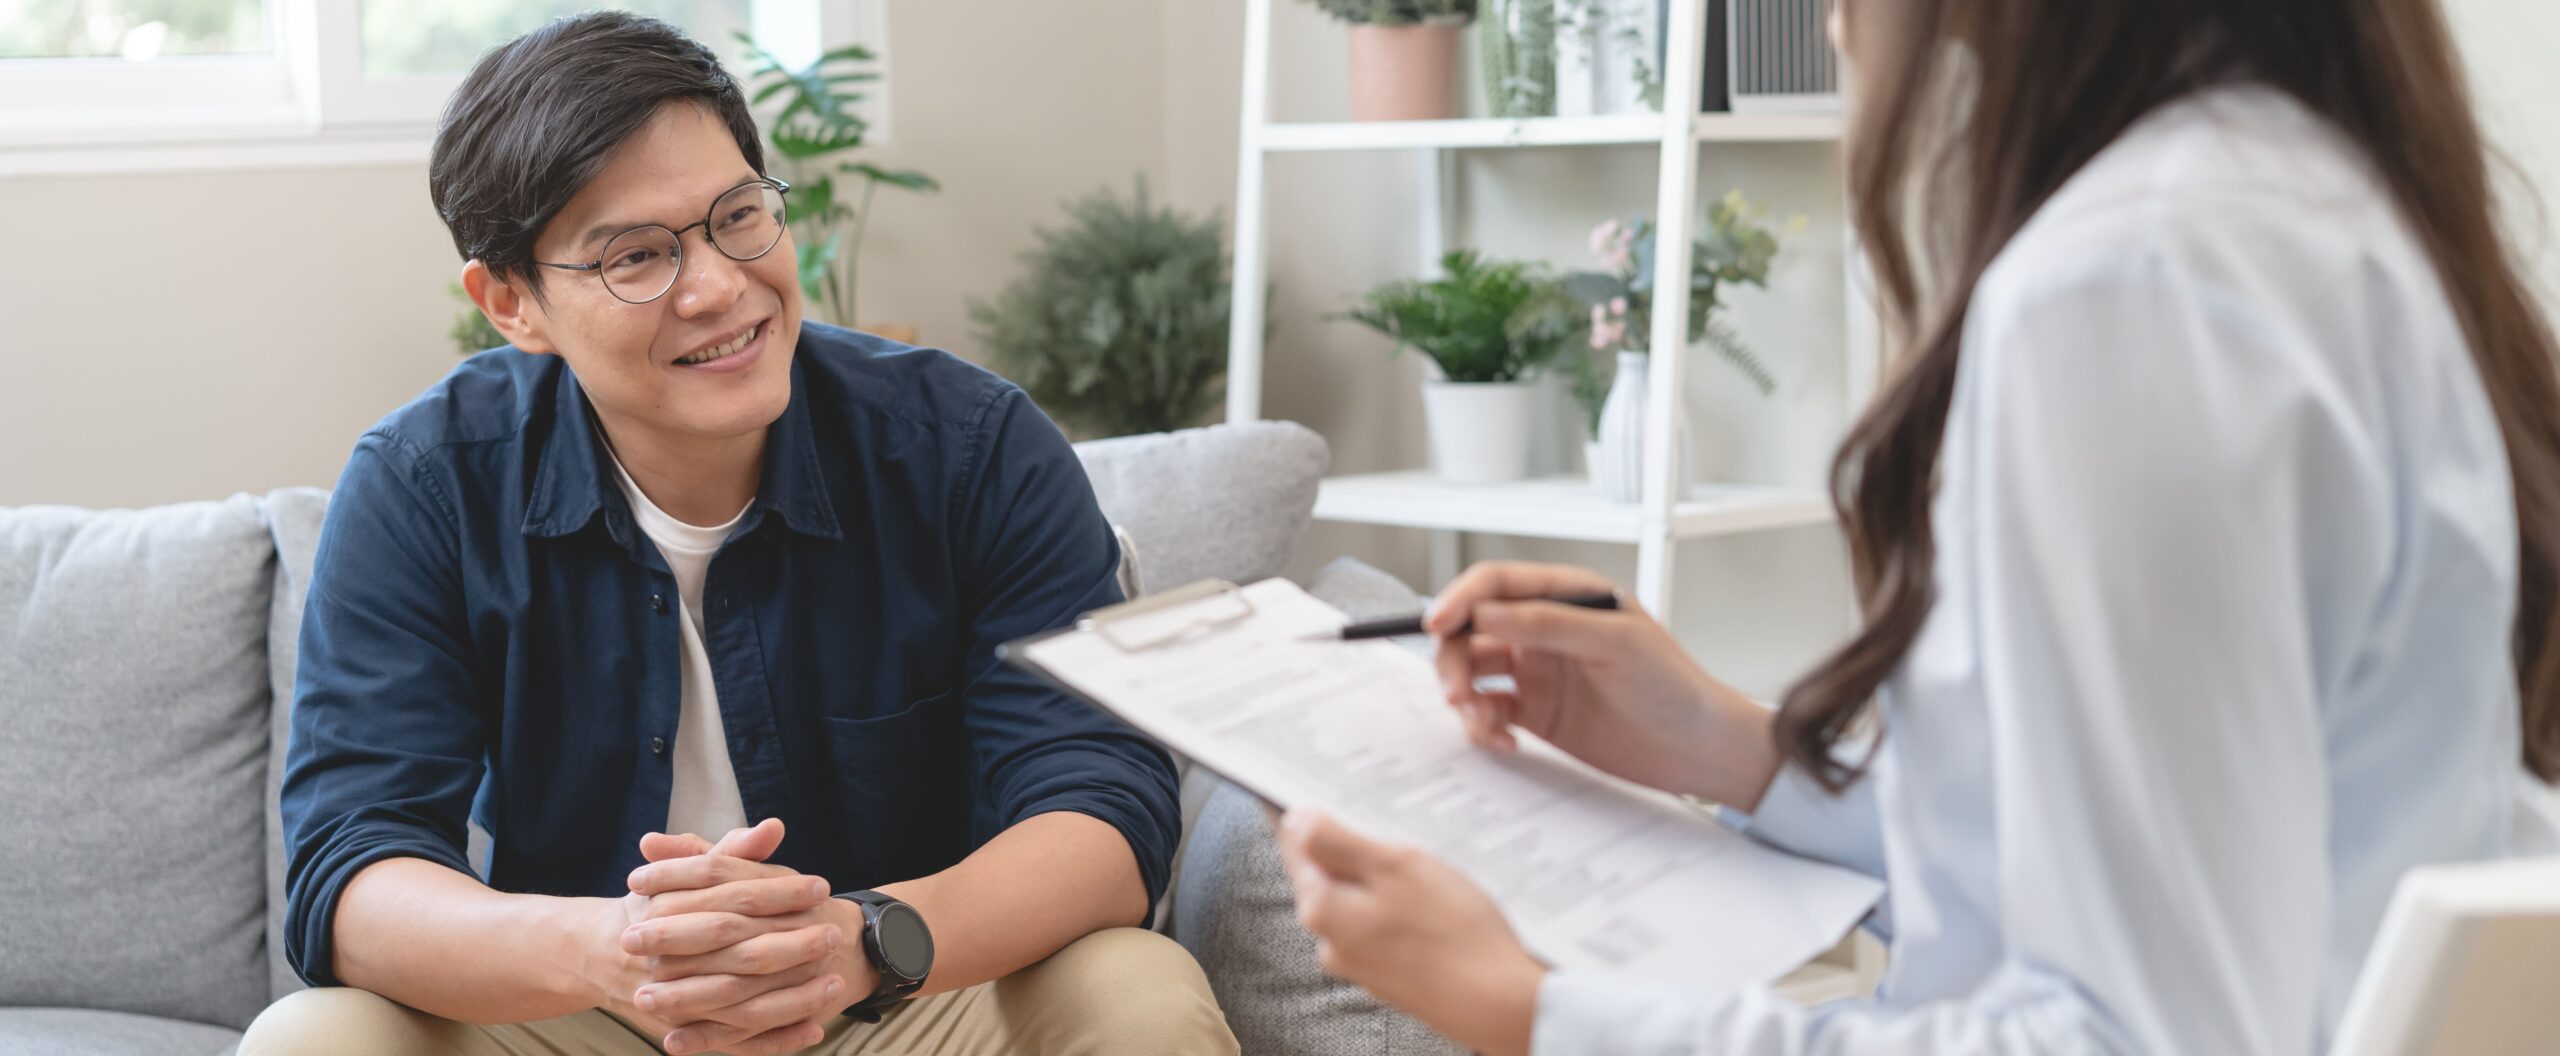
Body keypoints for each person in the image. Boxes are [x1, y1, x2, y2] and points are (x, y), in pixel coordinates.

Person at [1274, 1, 2560, 1052]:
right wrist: (1737, 751)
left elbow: (2133, 1033)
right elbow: (2184, 854)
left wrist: (1532, 1008)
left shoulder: (2128, 284)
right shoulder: (2298, 205)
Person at [238, 12, 1236, 1056]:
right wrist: (619, 949)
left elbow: (1103, 805)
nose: (719, 287)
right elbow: (352, 869)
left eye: (738, 217)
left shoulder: (970, 447)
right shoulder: (425, 486)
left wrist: (857, 938)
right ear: (510, 302)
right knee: (317, 1037)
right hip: (593, 999)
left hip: (903, 979)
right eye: (636, 256)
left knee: (1133, 987)